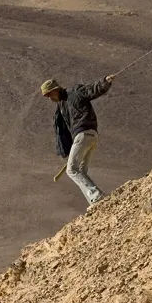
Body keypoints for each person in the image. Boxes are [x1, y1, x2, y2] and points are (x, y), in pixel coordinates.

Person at [40, 75, 116, 206]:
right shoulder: (61, 106)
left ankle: (97, 196)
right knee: (80, 171)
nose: (49, 98)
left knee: (71, 170)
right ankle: (95, 203)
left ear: (55, 90)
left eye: (48, 94)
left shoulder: (74, 92)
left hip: (84, 134)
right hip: (89, 136)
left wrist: (105, 82)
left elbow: (92, 89)